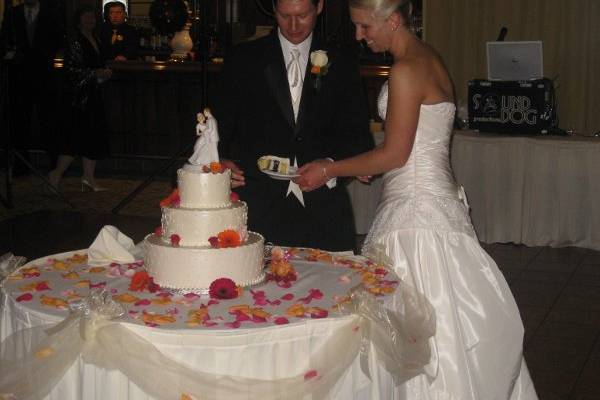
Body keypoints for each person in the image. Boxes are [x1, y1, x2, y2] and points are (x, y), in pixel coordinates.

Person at [296, 0, 539, 398]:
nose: (359, 36)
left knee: (419, 334)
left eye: (364, 27)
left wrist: (328, 169)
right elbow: (411, 146)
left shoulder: (406, 69)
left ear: (392, 21)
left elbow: (396, 154)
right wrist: (365, 163)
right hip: (435, 202)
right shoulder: (432, 59)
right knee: (448, 326)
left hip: (415, 218)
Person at [213, 0, 374, 252]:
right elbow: (217, 127)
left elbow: (359, 138)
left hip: (324, 210)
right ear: (273, 9)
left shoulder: (343, 60)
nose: (294, 25)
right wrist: (218, 161)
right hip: (258, 205)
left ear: (319, 6)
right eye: (285, 15)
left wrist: (330, 168)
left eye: (302, 15)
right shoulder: (243, 57)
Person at [48, 6, 112, 192]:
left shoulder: (96, 38)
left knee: (93, 137)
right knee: (75, 138)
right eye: (86, 18)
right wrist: (95, 73)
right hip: (78, 98)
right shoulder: (75, 41)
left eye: (92, 17)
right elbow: (72, 70)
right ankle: (56, 173)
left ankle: (88, 177)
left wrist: (104, 72)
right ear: (78, 20)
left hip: (93, 95)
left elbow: (97, 63)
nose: (90, 21)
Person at [0, 0, 64, 176]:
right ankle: (21, 165)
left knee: (49, 120)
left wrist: (48, 57)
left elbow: (59, 39)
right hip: (19, 76)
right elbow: (5, 38)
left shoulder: (51, 12)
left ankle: (55, 163)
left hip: (45, 75)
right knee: (20, 121)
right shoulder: (13, 14)